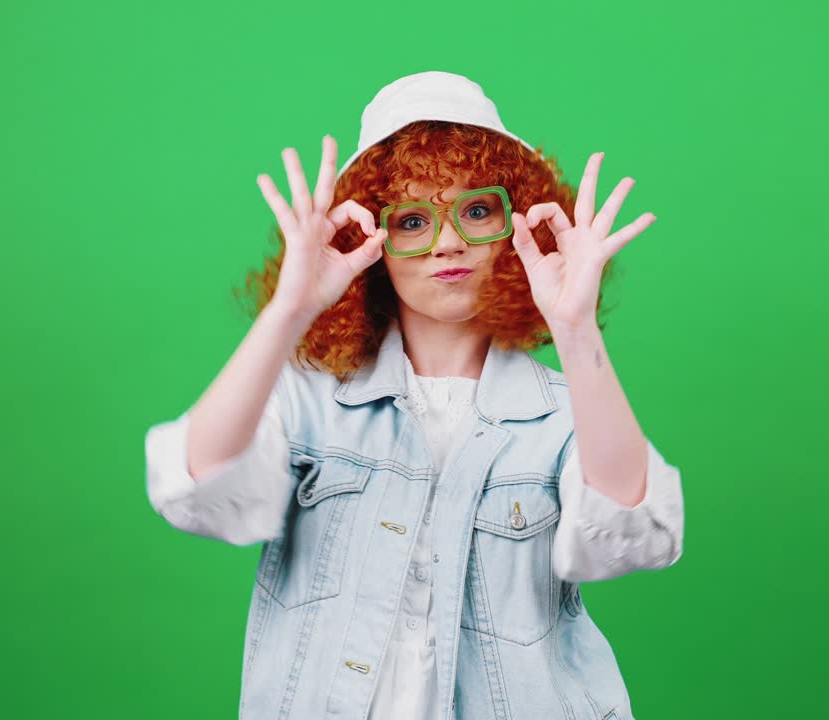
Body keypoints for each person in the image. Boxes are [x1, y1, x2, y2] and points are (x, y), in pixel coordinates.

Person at [145, 71, 685, 720]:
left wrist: (575, 329)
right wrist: (289, 310)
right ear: (368, 241)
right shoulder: (307, 400)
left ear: (515, 224)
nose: (448, 241)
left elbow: (634, 535)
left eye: (476, 211)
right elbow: (195, 490)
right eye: (411, 220)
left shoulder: (571, 411)